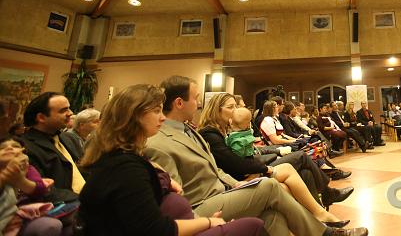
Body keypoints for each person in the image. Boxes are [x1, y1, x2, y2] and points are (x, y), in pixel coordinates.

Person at [144, 76, 367, 236]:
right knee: (269, 186)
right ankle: (323, 232)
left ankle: (322, 210)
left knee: (272, 215)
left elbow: (216, 169)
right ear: (179, 103)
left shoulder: (189, 130)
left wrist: (236, 186)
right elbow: (176, 200)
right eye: (195, 98)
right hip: (201, 205)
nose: (199, 103)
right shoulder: (160, 143)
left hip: (224, 189)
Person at [78, 84, 265, 236]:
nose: (162, 117)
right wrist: (207, 222)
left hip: (191, 215)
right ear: (135, 115)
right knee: (255, 219)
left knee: (270, 215)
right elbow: (155, 229)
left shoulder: (133, 157)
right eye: (157, 111)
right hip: (188, 219)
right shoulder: (125, 166)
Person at [197, 94, 350, 226]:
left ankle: (319, 216)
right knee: (302, 156)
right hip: (245, 175)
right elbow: (236, 163)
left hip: (253, 167)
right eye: (231, 107)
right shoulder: (211, 133)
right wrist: (265, 166)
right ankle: (326, 197)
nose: (236, 111)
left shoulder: (225, 130)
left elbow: (251, 151)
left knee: (305, 172)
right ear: (217, 109)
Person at [21, 92, 83, 202]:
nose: (71, 113)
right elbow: (45, 190)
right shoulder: (25, 147)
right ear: (41, 117)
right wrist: (87, 200)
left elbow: (85, 170)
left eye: (69, 108)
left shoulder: (70, 139)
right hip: (66, 206)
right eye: (63, 110)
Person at [0, 136, 62, 236]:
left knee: (51, 225)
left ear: (23, 152)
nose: (9, 148)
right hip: (5, 216)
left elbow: (40, 190)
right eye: (2, 148)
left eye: (15, 146)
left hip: (24, 213)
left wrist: (20, 180)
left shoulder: (28, 168)